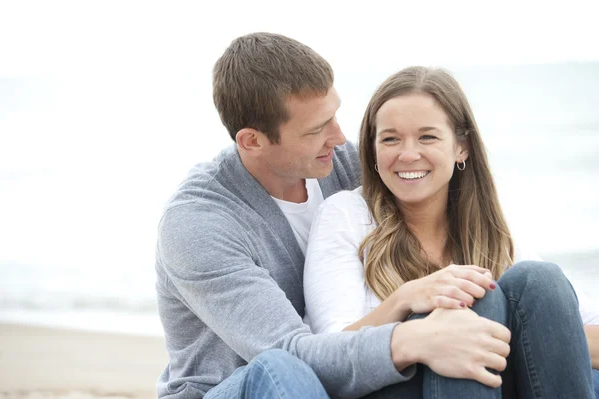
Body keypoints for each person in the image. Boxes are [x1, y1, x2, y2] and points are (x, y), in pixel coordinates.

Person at [156, 32, 437, 399]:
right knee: (281, 369)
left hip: (337, 381)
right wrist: (404, 326)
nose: (338, 138)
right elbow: (291, 353)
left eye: (334, 116)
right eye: (316, 129)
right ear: (252, 142)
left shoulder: (346, 167)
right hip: (239, 388)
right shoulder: (197, 224)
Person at [304, 66, 599, 397]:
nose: (408, 153)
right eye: (390, 139)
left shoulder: (487, 229)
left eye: (427, 136)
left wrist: (521, 333)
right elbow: (329, 356)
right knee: (474, 302)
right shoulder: (346, 215)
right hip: (394, 389)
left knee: (538, 279)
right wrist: (406, 299)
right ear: (372, 150)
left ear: (462, 147)